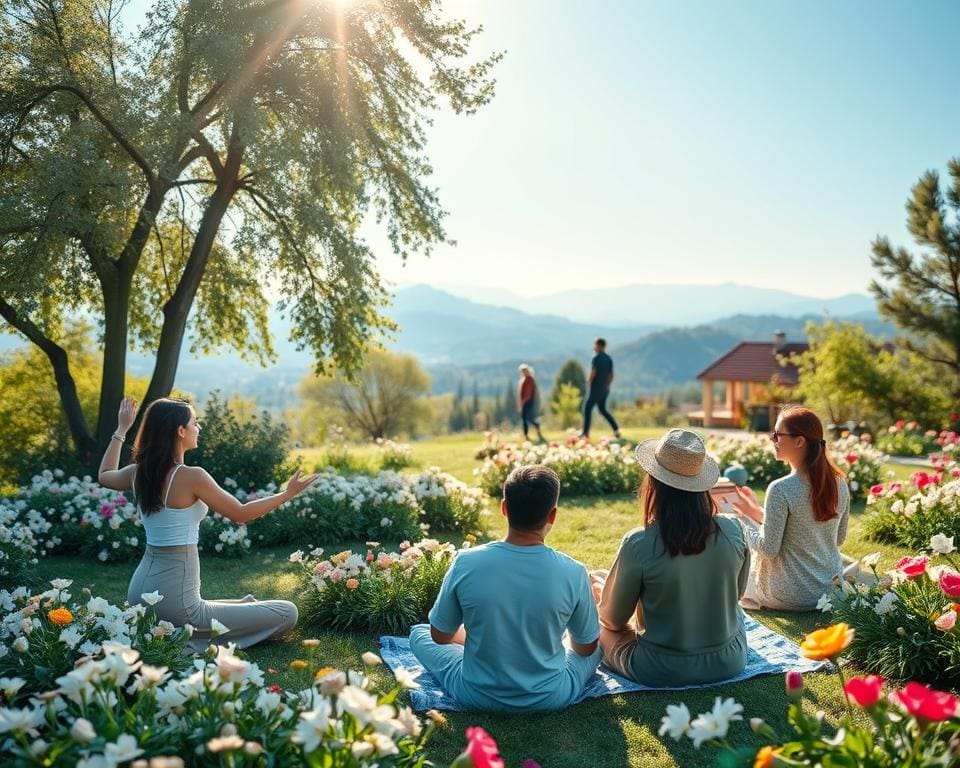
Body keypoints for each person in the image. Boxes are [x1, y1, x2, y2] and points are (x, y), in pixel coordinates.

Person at [98, 396, 319, 651]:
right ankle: (184, 634)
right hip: (177, 607)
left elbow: (104, 476)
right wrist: (287, 494)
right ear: (180, 431)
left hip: (139, 596)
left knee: (242, 603)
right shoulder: (192, 476)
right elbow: (241, 513)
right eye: (195, 422)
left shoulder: (139, 472)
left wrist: (121, 429)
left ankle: (218, 615)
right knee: (286, 612)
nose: (198, 428)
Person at [409, 465, 601, 712]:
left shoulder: (466, 562)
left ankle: (488, 643)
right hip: (551, 695)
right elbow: (585, 648)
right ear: (552, 516)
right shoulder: (573, 571)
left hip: (476, 693)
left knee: (419, 633)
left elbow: (439, 636)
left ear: (504, 508)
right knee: (600, 638)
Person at [594, 429, 750, 686]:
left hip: (659, 668)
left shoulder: (639, 543)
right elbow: (737, 595)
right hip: (730, 661)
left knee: (599, 629)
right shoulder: (734, 530)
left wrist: (601, 595)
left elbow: (613, 620)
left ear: (653, 483)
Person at [730, 405, 854, 611]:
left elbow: (768, 550)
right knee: (749, 522)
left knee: (736, 532)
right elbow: (837, 539)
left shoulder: (781, 489)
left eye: (778, 435)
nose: (773, 440)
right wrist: (753, 511)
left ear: (799, 441)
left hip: (785, 594)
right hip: (828, 591)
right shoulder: (839, 483)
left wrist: (739, 523)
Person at [581, 337, 620, 439]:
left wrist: (588, 383)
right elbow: (611, 375)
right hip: (605, 389)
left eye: (595, 345)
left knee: (587, 409)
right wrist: (607, 386)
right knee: (602, 410)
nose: (594, 347)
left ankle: (585, 434)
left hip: (595, 388)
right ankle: (616, 429)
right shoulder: (608, 358)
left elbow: (593, 373)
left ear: (599, 345)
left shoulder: (596, 358)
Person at [518, 364, 544, 441]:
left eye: (524, 371)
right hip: (525, 402)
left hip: (528, 402)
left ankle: (535, 427)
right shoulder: (525, 379)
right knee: (525, 419)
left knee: (527, 418)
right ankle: (525, 434)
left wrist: (523, 403)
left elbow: (528, 393)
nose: (523, 372)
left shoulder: (529, 379)